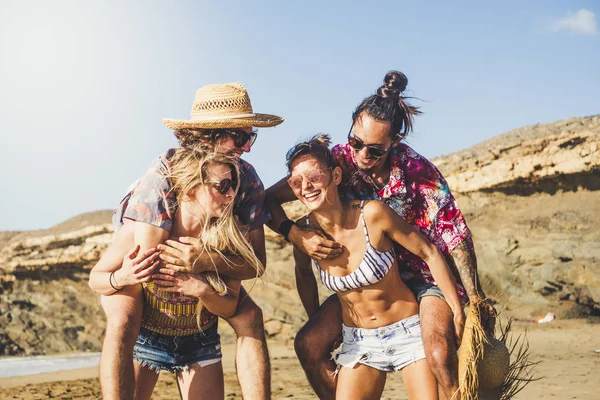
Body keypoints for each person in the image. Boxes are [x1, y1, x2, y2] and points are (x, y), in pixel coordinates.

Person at [266, 71, 495, 400]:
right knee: (308, 344)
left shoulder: (418, 173)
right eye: (356, 141)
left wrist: (473, 302)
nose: (360, 154)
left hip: (423, 275)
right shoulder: (335, 161)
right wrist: (296, 235)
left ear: (395, 142)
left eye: (373, 150)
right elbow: (269, 200)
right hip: (371, 276)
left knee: (440, 356)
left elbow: (454, 237)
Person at [89, 83, 283, 400]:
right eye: (242, 138)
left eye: (252, 137)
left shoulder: (246, 180)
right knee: (124, 315)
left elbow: (255, 263)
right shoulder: (161, 178)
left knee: (250, 316)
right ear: (212, 134)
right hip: (146, 293)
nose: (248, 147)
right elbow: (150, 261)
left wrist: (208, 261)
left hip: (199, 302)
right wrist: (117, 278)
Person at [285, 135, 464, 399]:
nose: (306, 186)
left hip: (408, 334)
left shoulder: (372, 214)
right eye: (296, 181)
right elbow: (303, 275)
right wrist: (319, 321)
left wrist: (457, 309)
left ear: (335, 176)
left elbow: (429, 252)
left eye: (314, 176)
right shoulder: (304, 235)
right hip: (359, 342)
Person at [90, 149, 262, 400]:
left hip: (200, 344)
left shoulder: (226, 238)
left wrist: (202, 289)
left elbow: (229, 307)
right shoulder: (142, 230)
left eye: (234, 185)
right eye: (223, 185)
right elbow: (95, 279)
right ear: (192, 186)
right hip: (146, 343)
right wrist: (122, 277)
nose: (231, 194)